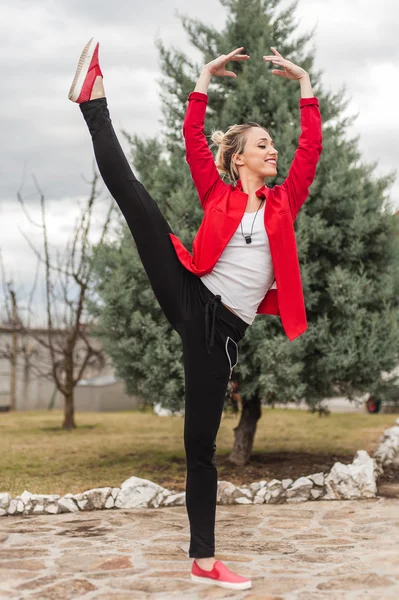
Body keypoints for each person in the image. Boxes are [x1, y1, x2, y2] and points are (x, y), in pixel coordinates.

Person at [68, 38, 322, 591]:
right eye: (262, 144)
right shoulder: (218, 192)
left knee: (198, 450)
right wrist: (202, 81)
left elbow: (310, 153)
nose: (273, 150)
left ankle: (202, 559)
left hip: (220, 336)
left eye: (271, 143)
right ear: (239, 159)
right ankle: (93, 101)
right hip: (191, 294)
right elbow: (192, 143)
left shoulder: (283, 201)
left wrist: (305, 86)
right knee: (137, 201)